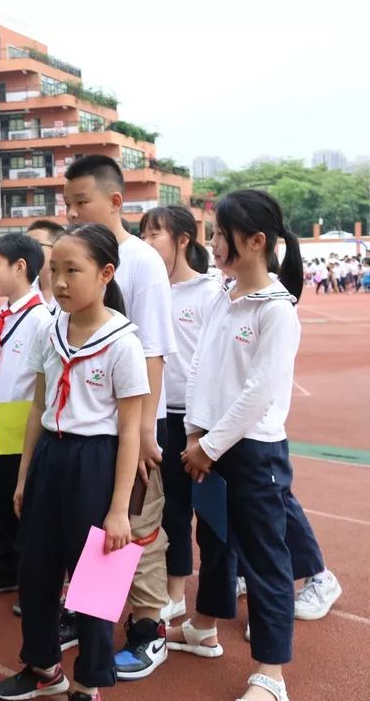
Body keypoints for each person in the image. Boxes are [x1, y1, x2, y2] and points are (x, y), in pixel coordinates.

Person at [0, 224, 147, 701]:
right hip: (49, 458)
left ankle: (90, 680)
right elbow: (40, 405)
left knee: (95, 582)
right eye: (54, 270)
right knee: (36, 569)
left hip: (96, 462)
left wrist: (119, 508)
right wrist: (24, 476)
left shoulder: (123, 342)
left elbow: (129, 433)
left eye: (71, 271)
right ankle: (42, 666)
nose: (59, 282)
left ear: (105, 273)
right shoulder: (50, 327)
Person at [174, 190, 304, 701]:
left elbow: (260, 392)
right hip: (209, 441)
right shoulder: (221, 297)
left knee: (264, 559)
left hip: (252, 452)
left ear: (255, 241)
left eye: (220, 233)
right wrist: (194, 433)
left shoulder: (276, 310)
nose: (213, 242)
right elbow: (202, 370)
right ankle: (203, 627)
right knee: (215, 540)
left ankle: (272, 676)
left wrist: (211, 445)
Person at [63, 155, 177, 679]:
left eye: (81, 202)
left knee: (138, 523)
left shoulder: (142, 261)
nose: (72, 213)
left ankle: (148, 629)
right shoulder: (77, 255)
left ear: (115, 201)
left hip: (132, 422)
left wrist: (147, 431)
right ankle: (97, 624)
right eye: (67, 205)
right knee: (102, 529)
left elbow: (153, 349)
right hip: (91, 425)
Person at [140, 206, 221, 625]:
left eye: (156, 234)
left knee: (210, 514)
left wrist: (202, 428)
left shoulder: (210, 292)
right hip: (157, 417)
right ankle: (174, 593)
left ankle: (218, 597)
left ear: (184, 240)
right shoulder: (147, 290)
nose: (149, 242)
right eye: (145, 234)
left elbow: (213, 362)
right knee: (169, 509)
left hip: (199, 420)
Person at [0, 234, 50, 599]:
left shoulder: (40, 318)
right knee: (0, 500)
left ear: (20, 267)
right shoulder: (5, 314)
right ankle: (6, 568)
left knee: (24, 504)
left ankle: (30, 578)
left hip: (22, 421)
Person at [26, 220, 65, 313]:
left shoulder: (76, 292)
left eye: (36, 245)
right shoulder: (22, 294)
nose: (26, 252)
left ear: (58, 248)